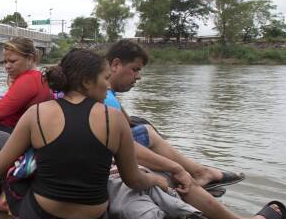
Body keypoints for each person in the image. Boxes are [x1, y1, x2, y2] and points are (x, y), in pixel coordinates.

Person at [0, 48, 286, 219]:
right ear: (86, 82)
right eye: (105, 78)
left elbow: (0, 166)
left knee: (13, 163)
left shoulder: (37, 114)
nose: (108, 85)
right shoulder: (114, 119)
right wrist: (160, 179)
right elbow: (134, 180)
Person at [103, 40, 243, 190]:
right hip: (114, 152)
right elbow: (125, 139)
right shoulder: (107, 99)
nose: (138, 77)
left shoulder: (106, 94)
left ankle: (198, 170)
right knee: (146, 132)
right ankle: (199, 172)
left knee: (140, 124)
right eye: (135, 69)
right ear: (116, 65)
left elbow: (126, 120)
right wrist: (175, 167)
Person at [0, 37, 52, 141]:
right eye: (5, 61)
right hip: (30, 131)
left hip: (19, 134)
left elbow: (2, 111)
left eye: (12, 61)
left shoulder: (27, 79)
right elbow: (16, 108)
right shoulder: (39, 76)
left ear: (30, 59)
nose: (7, 66)